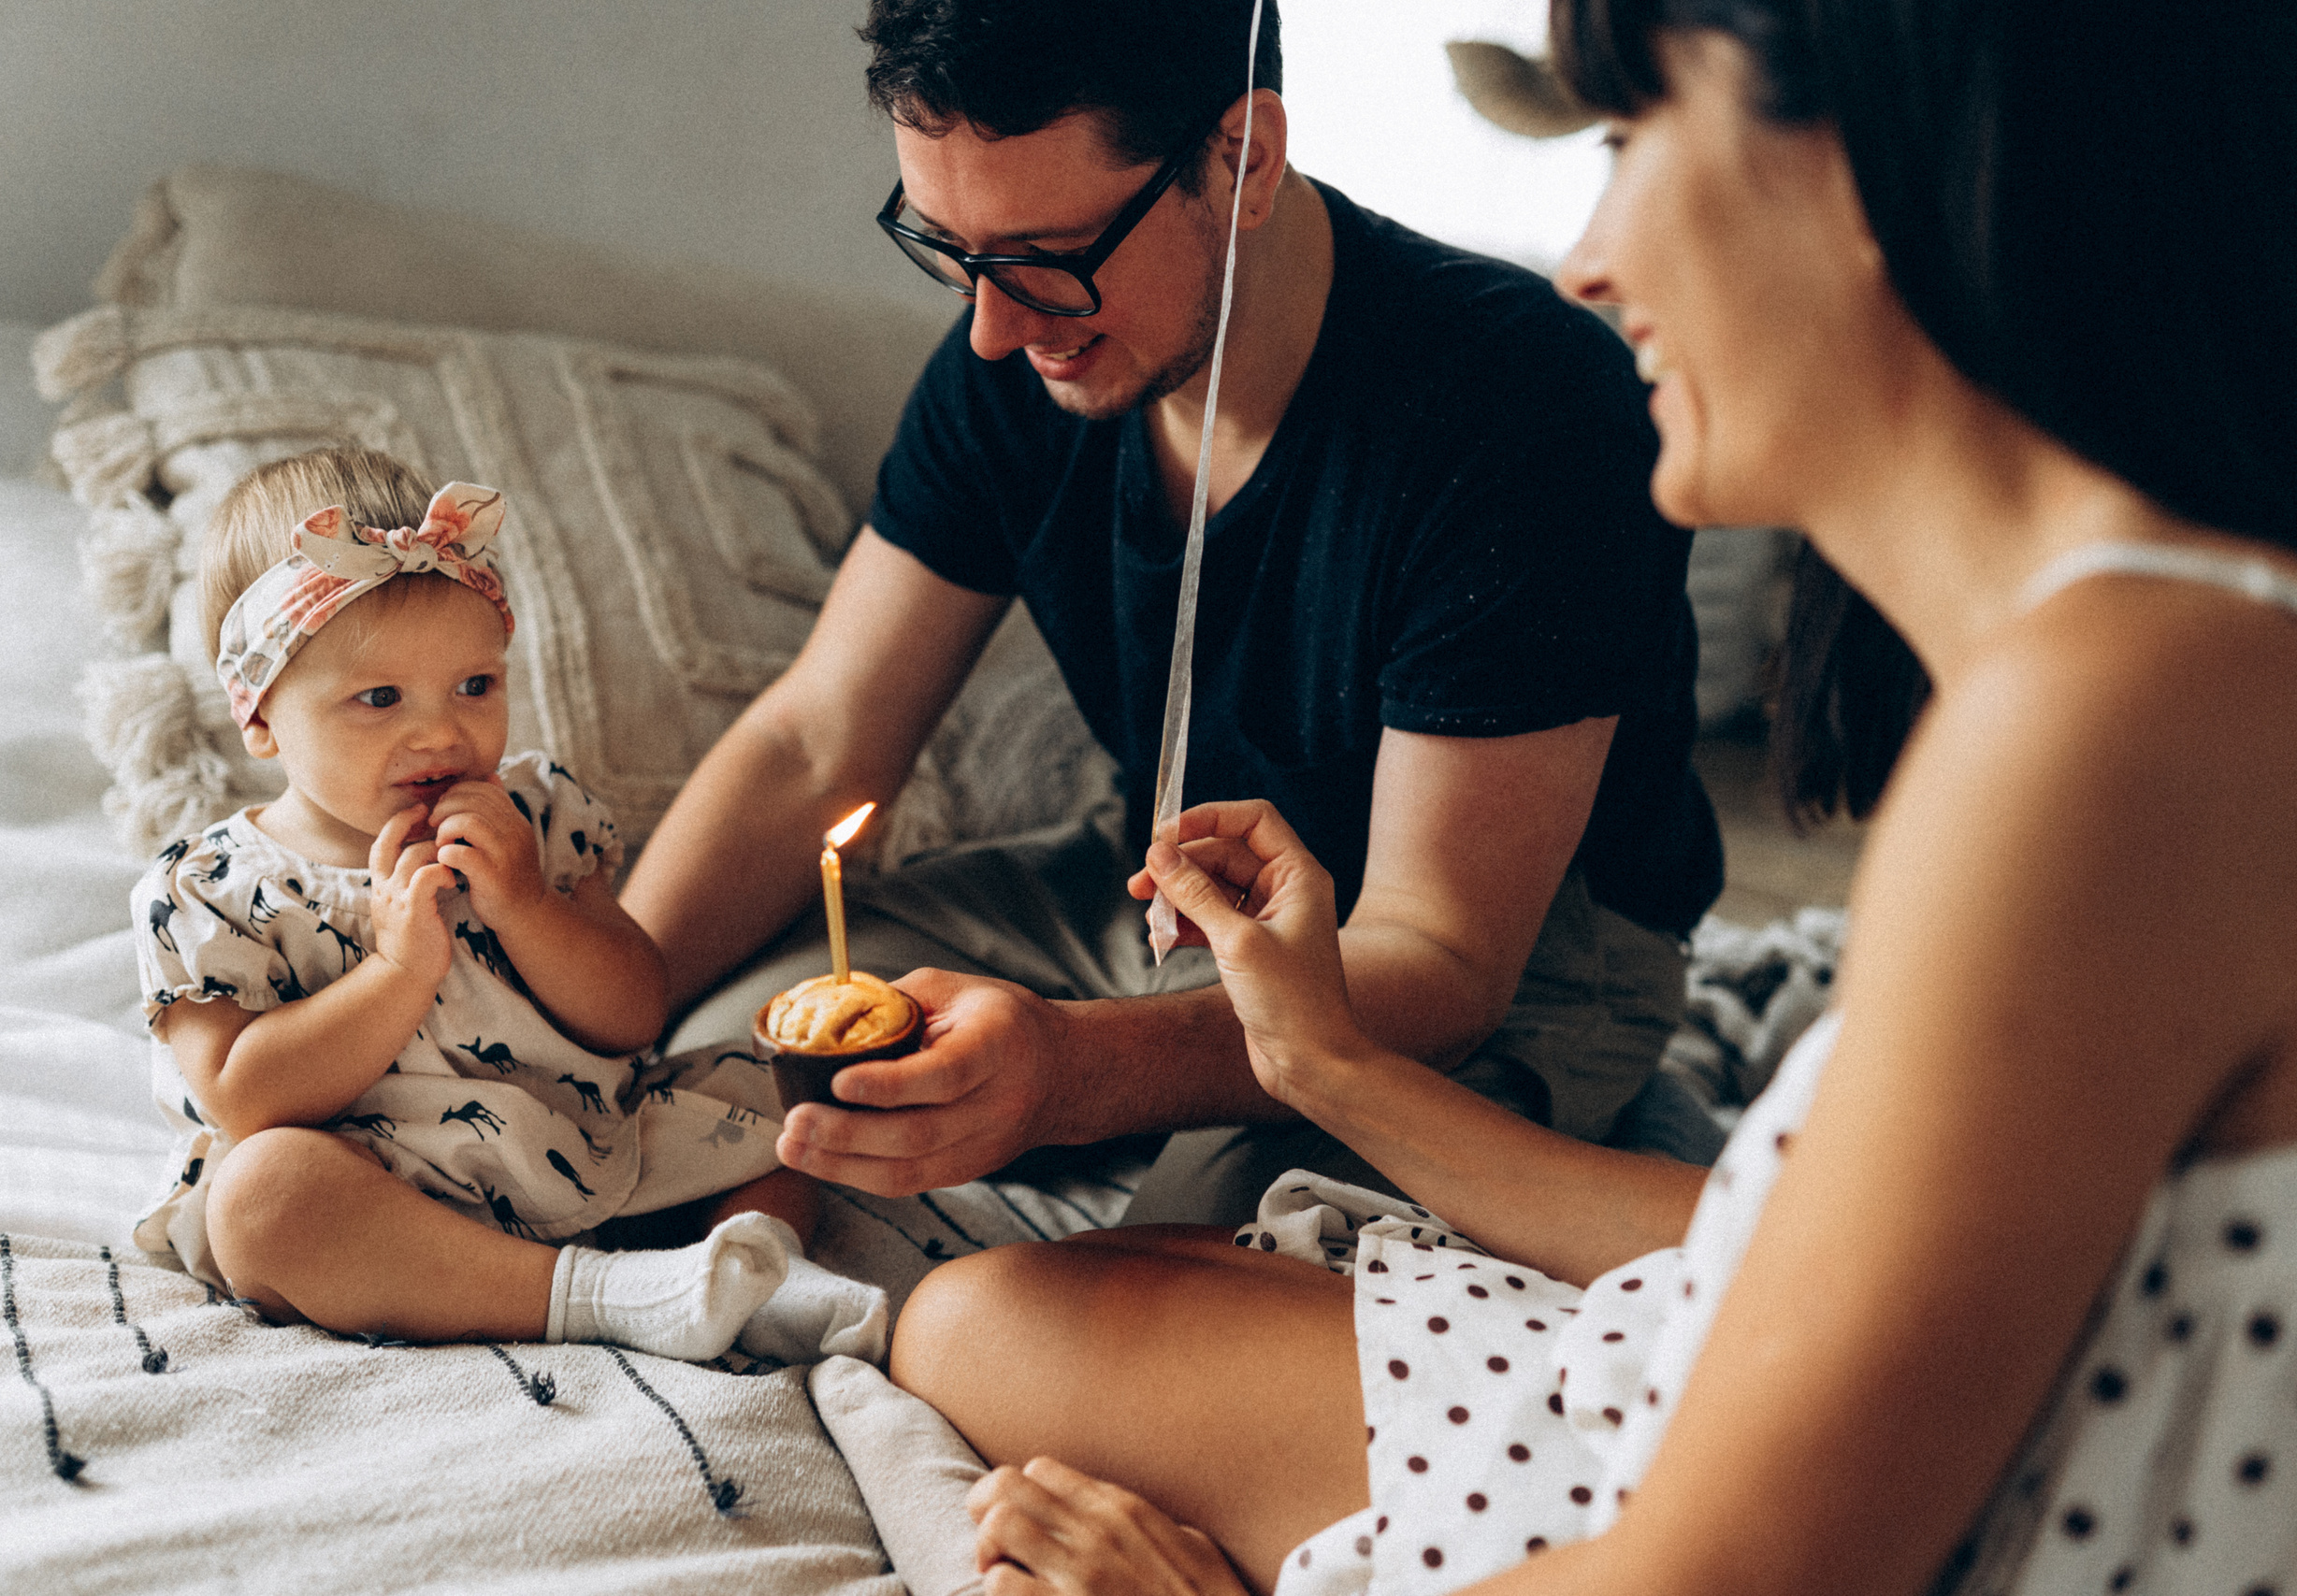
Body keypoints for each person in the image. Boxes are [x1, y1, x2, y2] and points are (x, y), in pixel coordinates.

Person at [885, 1, 2297, 1591]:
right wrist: (1319, 1059)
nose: (1591, 261)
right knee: (987, 1316)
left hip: (1680, 1485)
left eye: (1631, 138)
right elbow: (1836, 1261)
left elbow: (1734, 1574)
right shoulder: (2131, 671)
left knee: (1007, 1322)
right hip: (1702, 1348)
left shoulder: (2108, 736)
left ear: (1861, 174)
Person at [623, 0, 1724, 1226]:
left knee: (1166, 1277)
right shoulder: (1017, 354)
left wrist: (1072, 1072)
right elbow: (816, 738)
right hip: (1147, 888)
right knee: (701, 1088)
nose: (993, 329)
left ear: (1243, 157)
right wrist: (578, 1019)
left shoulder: (1522, 411)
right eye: (948, 249)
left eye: (1047, 254)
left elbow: (1443, 958)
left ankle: (1631, 1141)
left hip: (1488, 966)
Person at [132, 447, 884, 1365]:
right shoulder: (210, 889)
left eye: (475, 686)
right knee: (264, 1196)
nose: (441, 732)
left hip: (584, 1141)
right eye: (379, 698)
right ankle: (604, 1297)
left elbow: (633, 1014)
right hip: (382, 1204)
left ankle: (760, 1270)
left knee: (775, 1095)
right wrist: (396, 971)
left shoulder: (536, 814)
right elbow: (244, 1095)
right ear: (258, 716)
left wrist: (526, 901)